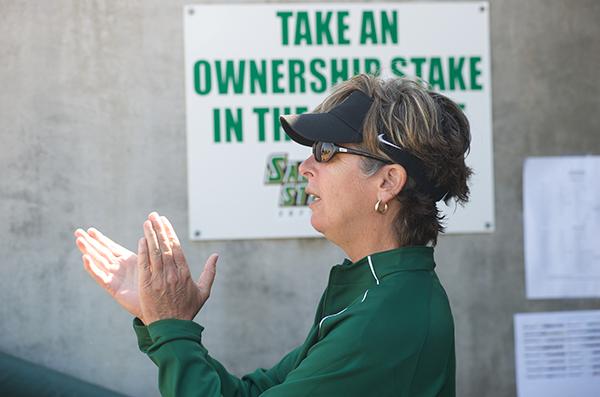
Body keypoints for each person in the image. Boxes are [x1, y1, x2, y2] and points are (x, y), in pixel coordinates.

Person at [74, 73, 472, 396]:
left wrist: (171, 329)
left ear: (388, 182)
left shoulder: (385, 317)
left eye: (327, 150)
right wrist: (161, 319)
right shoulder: (378, 293)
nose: (305, 166)